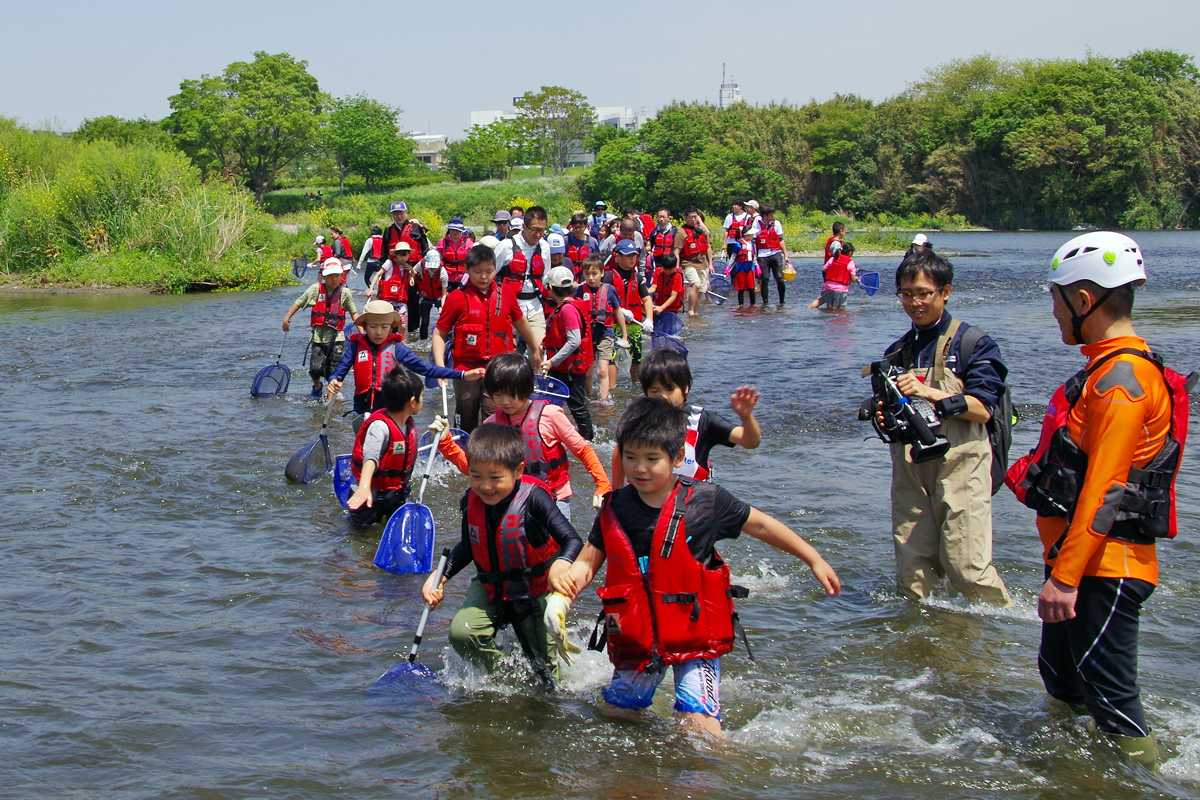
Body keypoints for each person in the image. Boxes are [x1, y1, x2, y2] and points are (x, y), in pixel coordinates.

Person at [561, 397, 841, 737]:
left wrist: (813, 558)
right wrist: (566, 585)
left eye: (652, 459)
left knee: (699, 728)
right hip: (638, 635)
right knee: (619, 714)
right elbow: (590, 559)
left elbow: (761, 525)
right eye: (630, 458)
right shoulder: (616, 506)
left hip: (695, 637)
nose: (640, 469)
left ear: (678, 457)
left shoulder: (706, 501)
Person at [1008, 232, 1183, 770]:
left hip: (1105, 566)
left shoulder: (1121, 382)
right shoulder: (1106, 368)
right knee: (1061, 677)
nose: (1054, 313)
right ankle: (1072, 773)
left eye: (1057, 301)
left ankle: (1142, 776)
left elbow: (1107, 488)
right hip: (1077, 560)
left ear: (1084, 302)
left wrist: (1065, 578)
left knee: (1113, 698)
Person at [871, 250, 1012, 606]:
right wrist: (883, 416)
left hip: (961, 464)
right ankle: (924, 650)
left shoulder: (973, 344)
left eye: (923, 293)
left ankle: (1002, 637)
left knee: (968, 569)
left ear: (945, 291)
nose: (913, 302)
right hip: (910, 469)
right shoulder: (896, 352)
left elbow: (983, 410)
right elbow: (888, 410)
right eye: (905, 294)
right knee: (913, 579)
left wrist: (928, 392)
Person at [421, 423, 583, 684]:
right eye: (476, 476)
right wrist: (439, 577)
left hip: (534, 588)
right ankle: (504, 677)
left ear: (518, 470)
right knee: (462, 634)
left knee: (546, 676)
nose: (485, 487)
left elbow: (573, 540)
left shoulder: (535, 499)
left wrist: (562, 565)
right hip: (490, 585)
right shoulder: (471, 500)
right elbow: (469, 545)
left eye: (495, 477)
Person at [434, 353, 612, 521]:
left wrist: (602, 484)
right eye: (498, 395)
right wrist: (445, 442)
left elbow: (583, 450)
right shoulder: (492, 425)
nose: (505, 402)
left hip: (554, 496)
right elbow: (473, 468)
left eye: (511, 395)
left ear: (527, 389)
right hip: (514, 499)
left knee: (557, 547)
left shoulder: (551, 415)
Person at [610, 348, 761, 487]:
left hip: (691, 506)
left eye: (669, 389)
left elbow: (750, 442)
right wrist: (616, 493)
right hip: (645, 505)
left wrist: (746, 417)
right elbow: (621, 452)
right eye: (655, 390)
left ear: (685, 388)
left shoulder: (702, 421)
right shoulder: (638, 418)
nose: (662, 396)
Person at [433, 244, 542, 432]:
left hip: (499, 368)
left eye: (489, 271)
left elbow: (521, 323)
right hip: (465, 369)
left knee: (496, 418)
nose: (484, 276)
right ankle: (463, 456)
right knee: (466, 417)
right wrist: (440, 368)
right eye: (478, 272)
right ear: (467, 270)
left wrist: (535, 350)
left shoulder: (506, 293)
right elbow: (439, 333)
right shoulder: (455, 298)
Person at [327, 300, 480, 416]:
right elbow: (339, 372)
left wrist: (462, 374)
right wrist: (333, 380)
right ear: (365, 326)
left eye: (384, 327)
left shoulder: (398, 349)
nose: (379, 332)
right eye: (373, 327)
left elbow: (427, 369)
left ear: (391, 326)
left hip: (390, 408)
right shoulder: (355, 347)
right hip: (361, 408)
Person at [345, 366, 424, 528]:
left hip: (395, 494)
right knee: (361, 535)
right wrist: (364, 487)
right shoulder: (380, 427)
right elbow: (370, 457)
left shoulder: (407, 425)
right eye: (421, 396)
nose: (422, 400)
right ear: (412, 401)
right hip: (369, 497)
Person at [282, 259, 360, 398]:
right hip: (318, 337)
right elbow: (298, 303)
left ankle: (330, 400)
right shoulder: (315, 289)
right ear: (323, 275)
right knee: (315, 369)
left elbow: (354, 313)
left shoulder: (345, 292)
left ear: (342, 275)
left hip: (337, 338)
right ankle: (317, 385)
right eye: (330, 275)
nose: (334, 279)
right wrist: (287, 319)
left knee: (334, 371)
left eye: (337, 275)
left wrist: (363, 334)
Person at [542, 266, 595, 440]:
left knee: (577, 406)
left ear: (550, 288)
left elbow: (574, 340)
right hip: (563, 367)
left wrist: (552, 361)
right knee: (549, 404)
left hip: (569, 369)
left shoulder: (567, 309)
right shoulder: (566, 306)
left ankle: (588, 441)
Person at [495, 205, 554, 348]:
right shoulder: (506, 246)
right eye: (534, 229)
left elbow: (545, 276)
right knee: (508, 351)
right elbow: (490, 273)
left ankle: (537, 369)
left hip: (535, 305)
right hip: (509, 306)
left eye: (541, 230)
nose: (538, 234)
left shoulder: (544, 247)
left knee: (539, 349)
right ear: (524, 226)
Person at [575, 254, 628, 402]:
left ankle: (604, 400)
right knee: (588, 372)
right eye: (587, 274)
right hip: (587, 335)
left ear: (602, 273)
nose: (591, 278)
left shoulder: (609, 290)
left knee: (602, 370)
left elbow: (618, 312)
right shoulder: (580, 291)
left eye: (594, 273)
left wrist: (624, 335)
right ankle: (589, 397)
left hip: (605, 333)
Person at [604, 239, 654, 384]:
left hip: (633, 326)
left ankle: (636, 386)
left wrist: (649, 319)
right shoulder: (609, 276)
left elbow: (647, 300)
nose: (632, 259)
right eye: (628, 255)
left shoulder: (638, 277)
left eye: (634, 255)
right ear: (618, 256)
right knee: (613, 357)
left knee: (637, 357)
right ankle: (611, 388)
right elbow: (604, 298)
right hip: (614, 325)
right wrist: (619, 310)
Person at [368, 242, 414, 336]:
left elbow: (410, 282)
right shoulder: (389, 263)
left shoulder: (408, 267)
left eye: (405, 255)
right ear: (396, 255)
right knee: (386, 324)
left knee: (403, 325)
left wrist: (412, 272)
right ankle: (385, 341)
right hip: (387, 300)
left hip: (400, 301)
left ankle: (402, 344)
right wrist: (371, 289)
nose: (403, 258)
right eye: (400, 255)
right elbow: (378, 274)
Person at [674, 206, 712, 316]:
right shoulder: (681, 233)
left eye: (695, 217)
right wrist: (677, 268)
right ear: (685, 218)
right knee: (696, 284)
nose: (693, 219)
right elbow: (677, 252)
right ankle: (690, 311)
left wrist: (710, 264)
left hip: (702, 263)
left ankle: (694, 312)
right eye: (691, 217)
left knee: (701, 290)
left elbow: (708, 245)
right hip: (688, 263)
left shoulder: (701, 231)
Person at [750, 204, 791, 304]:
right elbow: (754, 241)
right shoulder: (757, 223)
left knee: (779, 278)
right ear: (764, 215)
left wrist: (785, 254)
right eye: (771, 215)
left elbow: (781, 240)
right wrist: (754, 256)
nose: (773, 216)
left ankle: (782, 301)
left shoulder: (776, 223)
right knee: (765, 280)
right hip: (762, 256)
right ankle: (766, 303)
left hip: (775, 254)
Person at [809, 241, 859, 310]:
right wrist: (857, 278)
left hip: (828, 286)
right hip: (841, 289)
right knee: (840, 308)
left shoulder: (833, 259)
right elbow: (853, 279)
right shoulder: (850, 262)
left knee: (819, 301)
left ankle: (808, 309)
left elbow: (824, 269)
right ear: (850, 253)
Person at [436, 218, 474, 292]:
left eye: (457, 230)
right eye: (452, 229)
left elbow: (473, 261)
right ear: (449, 230)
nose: (455, 232)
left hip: (464, 278)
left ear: (461, 231)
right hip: (447, 278)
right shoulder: (442, 243)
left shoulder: (469, 243)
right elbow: (438, 259)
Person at [565, 213, 600, 277]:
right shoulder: (566, 240)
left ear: (586, 226)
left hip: (586, 277)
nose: (578, 230)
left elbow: (597, 261)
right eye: (576, 227)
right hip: (569, 275)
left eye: (581, 227)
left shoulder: (592, 241)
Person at [649, 252, 684, 317]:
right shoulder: (658, 271)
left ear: (674, 267)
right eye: (665, 269)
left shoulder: (677, 276)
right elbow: (653, 287)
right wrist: (644, 292)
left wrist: (662, 308)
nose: (667, 271)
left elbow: (673, 296)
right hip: (657, 306)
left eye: (670, 269)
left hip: (671, 308)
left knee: (668, 326)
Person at [646, 206, 677, 271]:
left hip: (670, 260)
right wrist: (650, 253)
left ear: (668, 218)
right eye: (659, 217)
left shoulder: (675, 231)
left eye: (664, 217)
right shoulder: (654, 232)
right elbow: (649, 246)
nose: (661, 219)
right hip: (657, 261)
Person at [356, 225, 385, 290]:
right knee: (381, 277)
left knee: (367, 278)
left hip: (371, 262)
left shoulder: (370, 240)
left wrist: (359, 264)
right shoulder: (384, 240)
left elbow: (364, 252)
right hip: (381, 262)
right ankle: (381, 290)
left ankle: (371, 289)